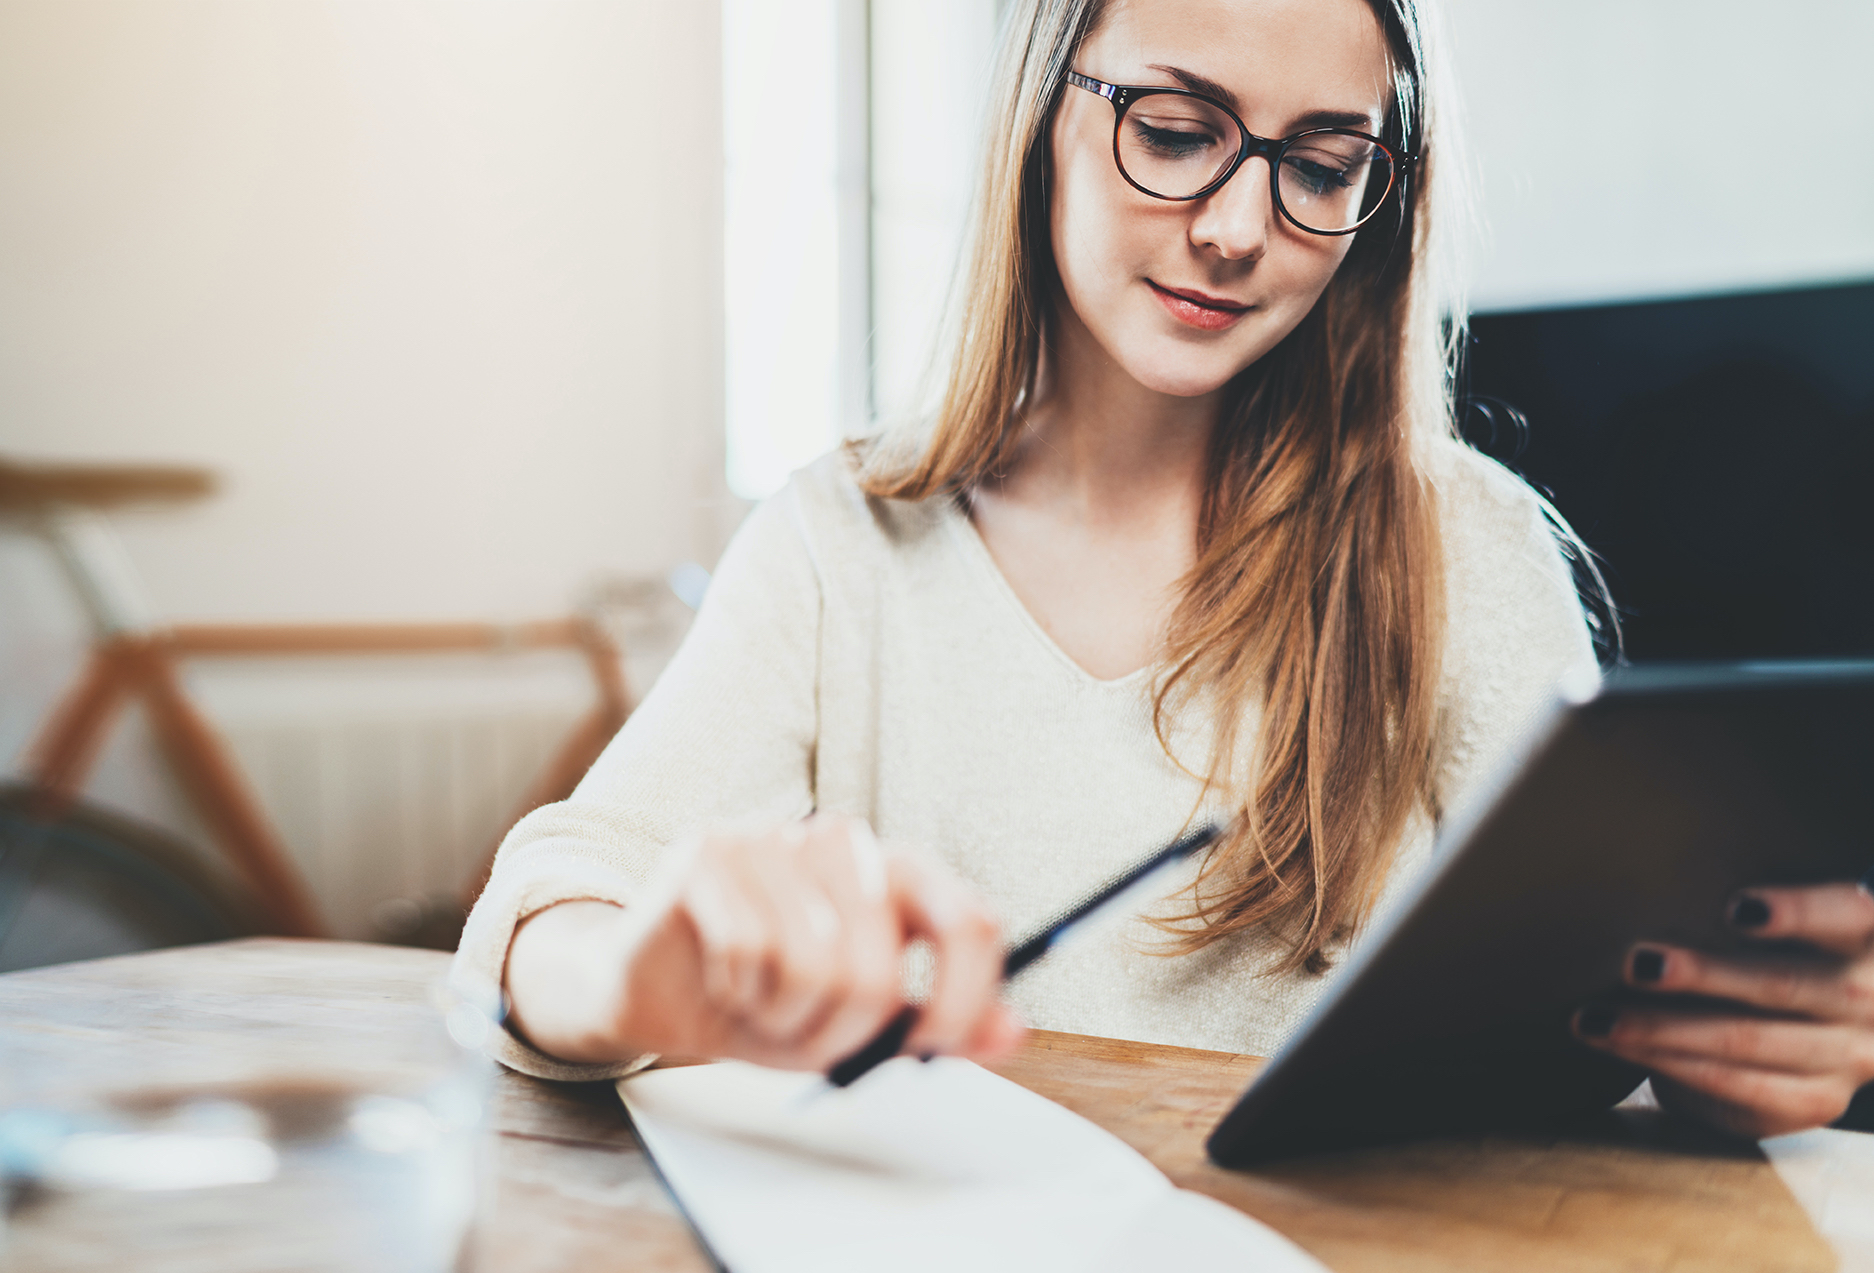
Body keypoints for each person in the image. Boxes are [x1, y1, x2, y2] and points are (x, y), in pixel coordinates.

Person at [457, 0, 1874, 1139]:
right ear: (1041, 108)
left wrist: (1729, 1057)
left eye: (1321, 165)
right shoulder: (843, 543)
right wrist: (635, 970)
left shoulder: (1462, 546)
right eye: (1179, 128)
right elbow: (550, 914)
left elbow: (1609, 1012)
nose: (1238, 228)